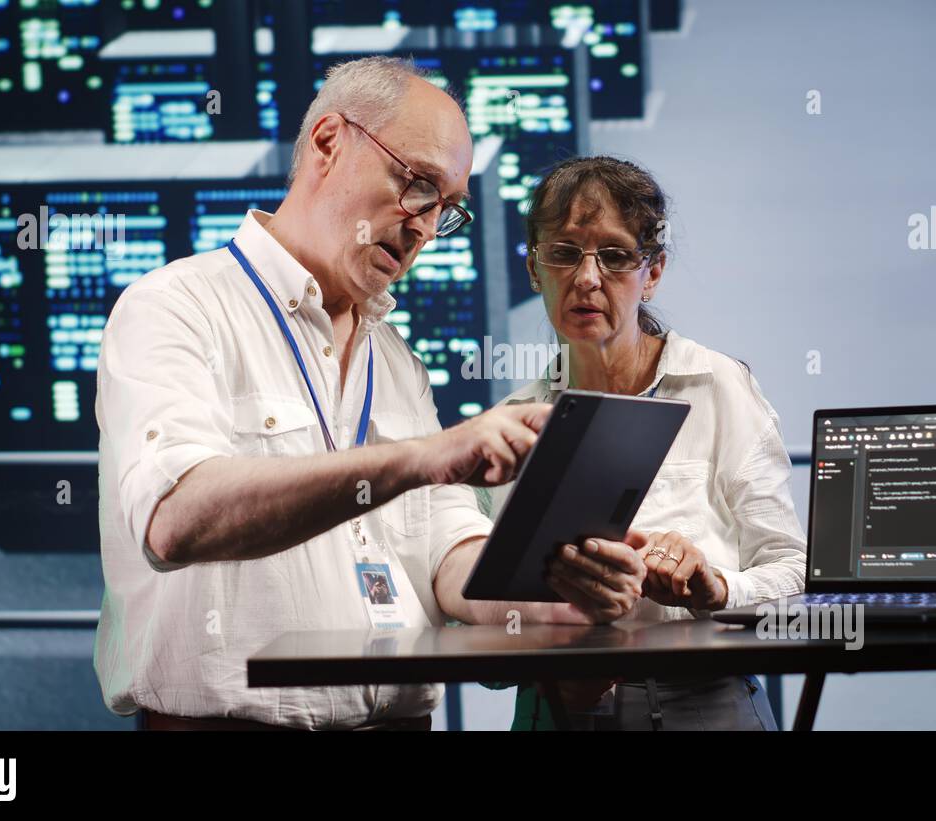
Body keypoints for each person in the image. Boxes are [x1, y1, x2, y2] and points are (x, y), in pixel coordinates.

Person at [94, 58, 648, 731]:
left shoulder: (398, 363)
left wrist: (555, 593)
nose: (425, 227)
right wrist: (423, 457)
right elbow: (175, 519)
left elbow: (448, 557)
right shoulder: (176, 308)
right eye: (418, 185)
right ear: (328, 142)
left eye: (445, 208)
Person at [479, 156, 807, 730]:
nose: (587, 278)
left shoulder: (719, 387)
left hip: (708, 702)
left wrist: (717, 588)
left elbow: (795, 577)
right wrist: (540, 633)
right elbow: (471, 632)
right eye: (564, 253)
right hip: (555, 709)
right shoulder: (505, 428)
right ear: (534, 268)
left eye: (614, 256)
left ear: (652, 272)